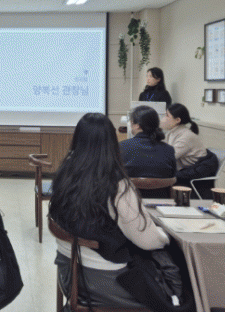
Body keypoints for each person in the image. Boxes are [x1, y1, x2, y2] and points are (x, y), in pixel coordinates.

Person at [49, 113, 169, 308]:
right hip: (105, 282)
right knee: (172, 297)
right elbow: (148, 241)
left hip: (67, 271)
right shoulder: (116, 185)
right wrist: (165, 236)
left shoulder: (65, 173)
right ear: (112, 143)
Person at [120, 105, 176, 179]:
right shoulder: (169, 150)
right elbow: (172, 176)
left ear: (137, 125)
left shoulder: (121, 147)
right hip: (162, 187)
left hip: (130, 186)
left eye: (131, 122)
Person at [161, 103, 208, 171]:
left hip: (190, 173)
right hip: (179, 170)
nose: (163, 118)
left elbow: (168, 158)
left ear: (177, 120)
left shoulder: (186, 136)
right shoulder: (171, 133)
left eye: (167, 115)